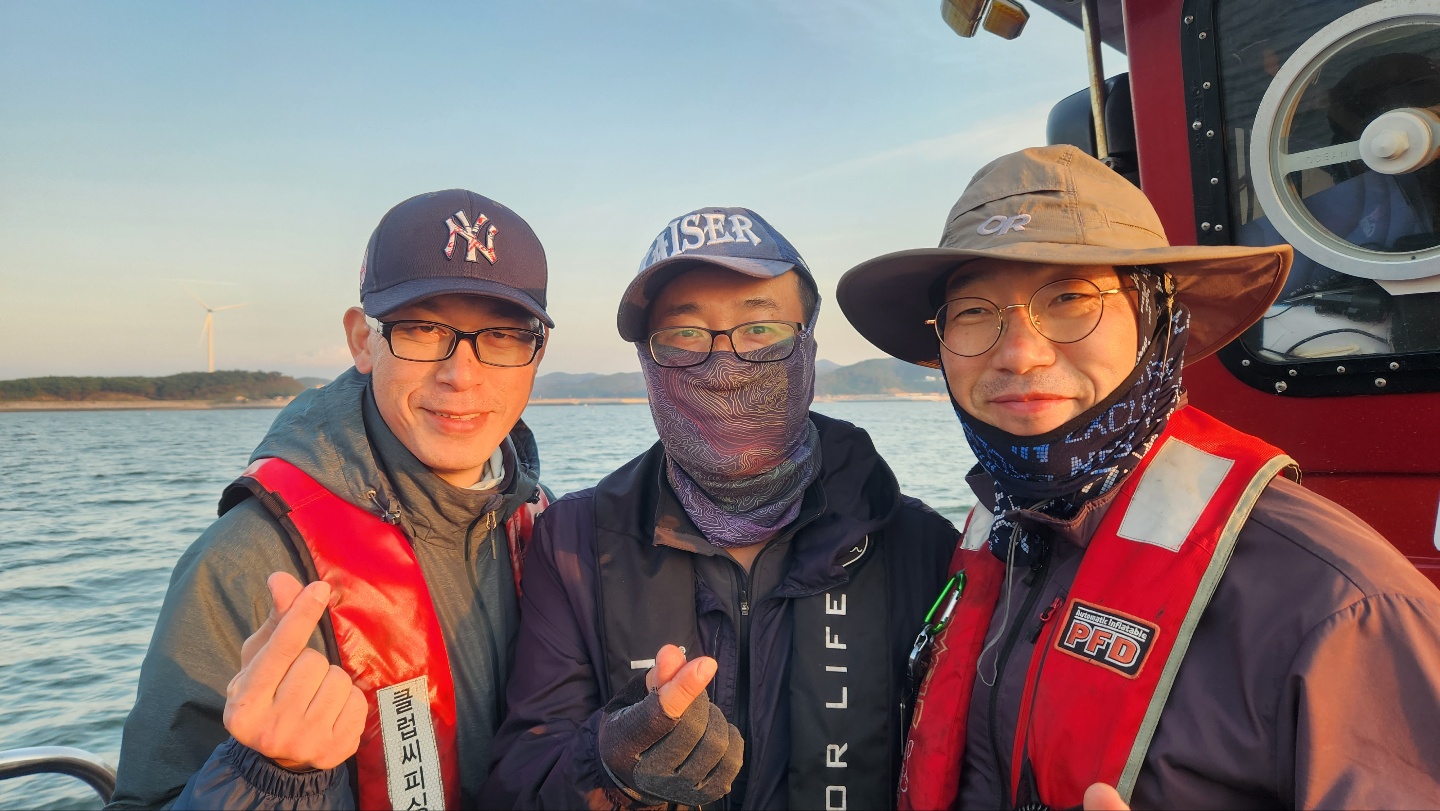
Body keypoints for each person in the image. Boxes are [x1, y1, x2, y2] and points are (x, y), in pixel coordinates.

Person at [835, 144, 1440, 810]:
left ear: (1159, 320)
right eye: (974, 311)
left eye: (1070, 297)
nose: (1019, 353)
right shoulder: (1003, 533)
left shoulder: (1343, 606)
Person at [479, 207, 960, 810]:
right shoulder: (575, 541)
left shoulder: (919, 545)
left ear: (807, 342)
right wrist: (605, 767)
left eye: (760, 329)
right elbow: (522, 776)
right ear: (648, 359)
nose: (724, 365)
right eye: (684, 335)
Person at [107, 189, 554, 810]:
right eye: (423, 329)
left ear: (536, 354)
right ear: (362, 341)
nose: (461, 374)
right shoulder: (247, 562)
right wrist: (268, 777)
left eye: (503, 336)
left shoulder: (549, 527)